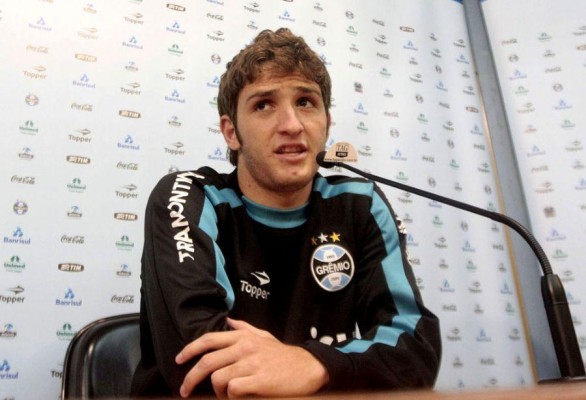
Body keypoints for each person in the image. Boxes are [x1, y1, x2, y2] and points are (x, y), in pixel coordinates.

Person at [131, 28, 441, 398]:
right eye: (263, 105)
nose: (292, 125)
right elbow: (199, 360)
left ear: (326, 124)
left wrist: (315, 364)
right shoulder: (191, 197)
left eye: (306, 102)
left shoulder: (360, 204)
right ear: (231, 133)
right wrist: (332, 369)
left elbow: (416, 349)